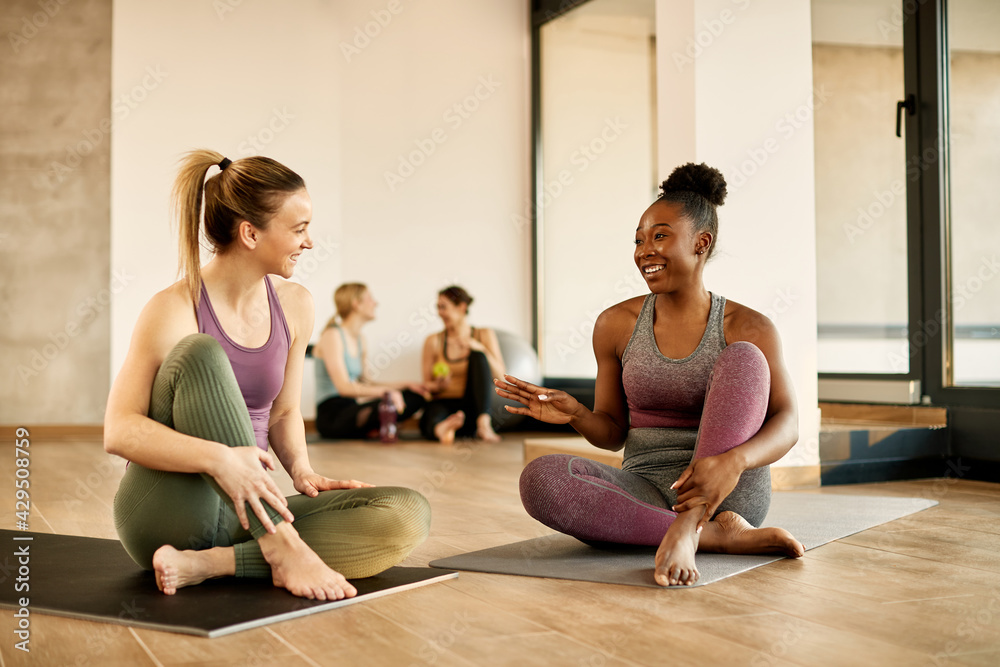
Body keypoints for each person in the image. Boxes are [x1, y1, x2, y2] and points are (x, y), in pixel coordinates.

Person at [104, 150, 430, 600]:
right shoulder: (173, 308)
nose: (309, 242)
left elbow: (285, 412)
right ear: (250, 233)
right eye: (299, 229)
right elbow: (118, 431)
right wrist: (220, 460)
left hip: (249, 512)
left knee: (406, 512)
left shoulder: (296, 305)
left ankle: (212, 564)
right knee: (200, 352)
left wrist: (301, 470)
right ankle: (280, 546)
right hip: (168, 509)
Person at [496, 163, 804, 587]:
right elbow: (613, 433)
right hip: (645, 486)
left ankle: (694, 520)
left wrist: (734, 461)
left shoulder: (748, 326)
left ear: (701, 243)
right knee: (542, 480)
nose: (645, 251)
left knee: (745, 359)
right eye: (639, 240)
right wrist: (575, 414)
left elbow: (788, 424)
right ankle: (711, 536)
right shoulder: (615, 325)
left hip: (726, 491)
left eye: (660, 236)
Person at [313, 283, 428, 439]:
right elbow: (343, 388)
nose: (375, 303)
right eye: (370, 299)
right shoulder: (332, 335)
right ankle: (372, 428)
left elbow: (367, 382)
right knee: (389, 401)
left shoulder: (361, 340)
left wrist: (406, 385)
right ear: (356, 304)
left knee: (415, 397)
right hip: (332, 415)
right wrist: (387, 393)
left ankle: (368, 428)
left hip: (353, 408)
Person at [419, 286, 505, 444]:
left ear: (462, 307)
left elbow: (500, 376)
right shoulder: (433, 341)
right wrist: (438, 385)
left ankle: (483, 424)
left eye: (443, 307)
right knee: (430, 415)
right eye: (438, 307)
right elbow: (426, 387)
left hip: (472, 407)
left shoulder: (483, 335)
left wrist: (482, 348)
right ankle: (443, 429)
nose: (440, 312)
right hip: (444, 403)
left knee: (478, 356)